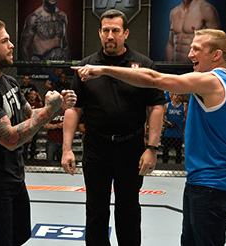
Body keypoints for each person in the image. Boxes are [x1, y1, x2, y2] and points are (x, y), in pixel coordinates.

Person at [73, 29, 226, 246]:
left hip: (211, 184)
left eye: (197, 49)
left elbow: (155, 79)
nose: (190, 54)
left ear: (216, 55)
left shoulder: (212, 82)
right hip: (204, 181)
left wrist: (105, 69)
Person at [0, 17, 76, 246]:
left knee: (20, 235)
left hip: (14, 175)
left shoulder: (9, 82)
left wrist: (57, 108)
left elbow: (29, 116)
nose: (12, 45)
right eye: (4, 41)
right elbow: (10, 139)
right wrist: (47, 114)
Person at [61, 9, 165, 246]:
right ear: (99, 33)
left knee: (128, 209)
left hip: (131, 148)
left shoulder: (144, 65)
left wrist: (152, 148)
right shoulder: (85, 67)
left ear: (125, 33)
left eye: (115, 31)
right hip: (97, 148)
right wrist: (67, 148)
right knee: (96, 210)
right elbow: (74, 109)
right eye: (105, 30)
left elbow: (156, 107)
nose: (110, 36)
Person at [162, 93, 187, 164]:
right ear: (172, 96)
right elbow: (161, 116)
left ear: (181, 97)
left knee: (178, 151)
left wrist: (184, 129)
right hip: (168, 131)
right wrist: (167, 122)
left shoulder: (183, 106)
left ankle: (178, 165)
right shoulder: (167, 105)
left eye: (179, 95)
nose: (177, 96)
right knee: (165, 150)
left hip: (178, 131)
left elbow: (186, 118)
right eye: (175, 95)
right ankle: (164, 164)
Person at [23, 90, 43, 160]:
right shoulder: (25, 104)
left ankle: (32, 157)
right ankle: (24, 157)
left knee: (33, 142)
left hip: (35, 125)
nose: (32, 96)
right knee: (24, 143)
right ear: (28, 95)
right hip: (26, 125)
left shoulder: (38, 104)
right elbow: (23, 113)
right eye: (31, 94)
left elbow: (40, 114)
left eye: (34, 94)